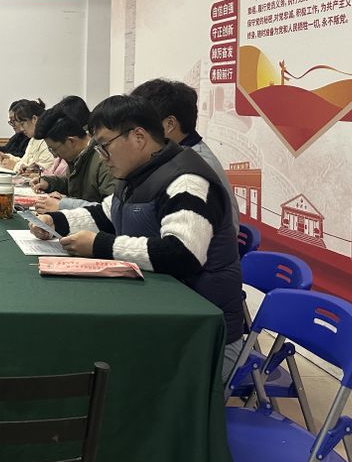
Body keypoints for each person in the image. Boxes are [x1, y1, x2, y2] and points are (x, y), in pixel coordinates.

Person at [30, 95, 243, 381]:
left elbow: (182, 254)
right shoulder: (138, 175)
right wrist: (55, 222)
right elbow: (107, 214)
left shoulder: (187, 180)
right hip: (161, 313)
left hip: (201, 334)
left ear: (138, 137)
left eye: (104, 146)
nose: (102, 157)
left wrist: (101, 246)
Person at [130, 78, 240, 232]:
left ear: (169, 124)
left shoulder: (193, 169)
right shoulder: (177, 157)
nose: (136, 136)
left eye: (141, 127)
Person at [31, 101, 115, 212]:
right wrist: (49, 183)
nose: (54, 155)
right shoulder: (77, 157)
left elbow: (109, 211)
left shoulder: (104, 160)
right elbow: (72, 185)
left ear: (71, 141)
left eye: (54, 149)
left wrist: (63, 204)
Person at [0, 98, 55, 172]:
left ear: (34, 119)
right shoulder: (34, 139)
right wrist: (9, 158)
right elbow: (25, 161)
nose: (21, 129)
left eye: (22, 124)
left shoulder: (48, 140)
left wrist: (14, 166)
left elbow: (39, 170)